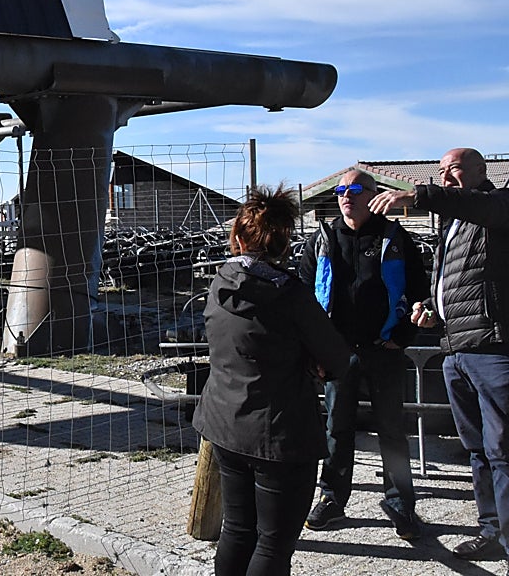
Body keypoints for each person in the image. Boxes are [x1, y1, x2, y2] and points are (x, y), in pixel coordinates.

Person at [194, 185, 351, 576]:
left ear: (238, 238)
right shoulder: (291, 295)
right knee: (273, 544)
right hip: (279, 435)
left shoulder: (220, 284)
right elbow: (337, 359)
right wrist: (315, 362)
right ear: (286, 242)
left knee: (238, 529)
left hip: (226, 425)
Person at [372, 148, 509, 566]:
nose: (447, 176)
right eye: (442, 170)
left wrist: (421, 194)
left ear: (482, 171)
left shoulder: (497, 204)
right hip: (454, 348)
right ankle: (492, 532)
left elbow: (481, 207)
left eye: (455, 169)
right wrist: (432, 309)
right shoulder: (452, 222)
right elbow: (454, 278)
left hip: (492, 348)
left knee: (504, 449)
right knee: (476, 449)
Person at [298, 169, 428, 539]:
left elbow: (420, 290)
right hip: (337, 352)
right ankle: (332, 500)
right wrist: (316, 350)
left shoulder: (397, 238)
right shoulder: (322, 240)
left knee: (392, 430)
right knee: (337, 429)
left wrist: (403, 335)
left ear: (372, 195)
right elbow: (305, 299)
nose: (345, 195)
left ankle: (401, 504)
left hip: (383, 349)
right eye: (340, 190)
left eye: (354, 189)